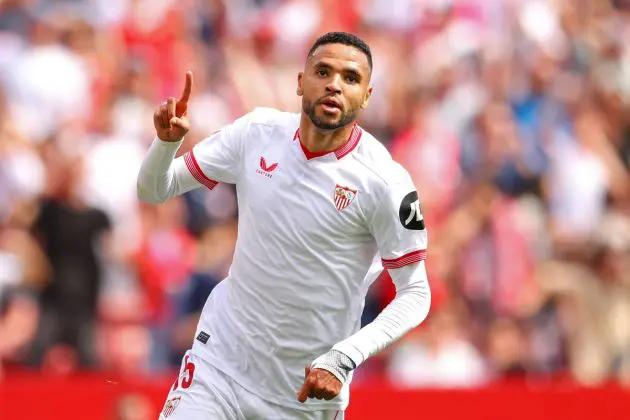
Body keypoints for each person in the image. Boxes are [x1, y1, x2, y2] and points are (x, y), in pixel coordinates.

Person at [138, 32, 431, 420]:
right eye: (323, 72)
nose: (334, 85)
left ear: (367, 95)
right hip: (221, 364)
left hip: (305, 391)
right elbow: (156, 190)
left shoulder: (385, 182)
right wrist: (165, 145)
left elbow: (416, 293)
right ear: (299, 81)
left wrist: (344, 358)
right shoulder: (256, 133)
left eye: (350, 78)